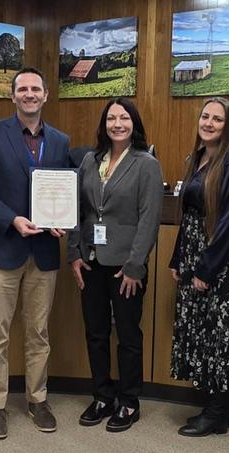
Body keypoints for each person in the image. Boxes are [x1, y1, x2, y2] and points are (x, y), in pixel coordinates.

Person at [0, 67, 71, 439]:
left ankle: (37, 399)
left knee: (39, 332)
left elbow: (63, 191)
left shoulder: (59, 140)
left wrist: (63, 220)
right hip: (1, 248)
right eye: (22, 89)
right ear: (13, 96)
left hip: (43, 251)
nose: (29, 94)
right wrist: (11, 219)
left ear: (45, 96)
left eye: (35, 89)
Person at [67, 98, 163, 432]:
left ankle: (129, 401)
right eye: (111, 118)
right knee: (95, 333)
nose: (117, 124)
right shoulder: (90, 161)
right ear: (104, 124)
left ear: (134, 124)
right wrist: (75, 254)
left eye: (124, 118)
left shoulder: (146, 164)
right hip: (92, 260)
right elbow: (77, 210)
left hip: (126, 266)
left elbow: (150, 218)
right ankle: (102, 396)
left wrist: (137, 264)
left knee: (127, 334)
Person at [168, 97, 229, 437]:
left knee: (221, 334)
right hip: (194, 256)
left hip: (223, 263)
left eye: (218, 119)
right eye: (205, 116)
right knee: (202, 331)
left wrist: (206, 269)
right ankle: (223, 409)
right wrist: (178, 259)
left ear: (227, 125)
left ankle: (216, 412)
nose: (209, 123)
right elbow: (188, 214)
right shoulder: (198, 158)